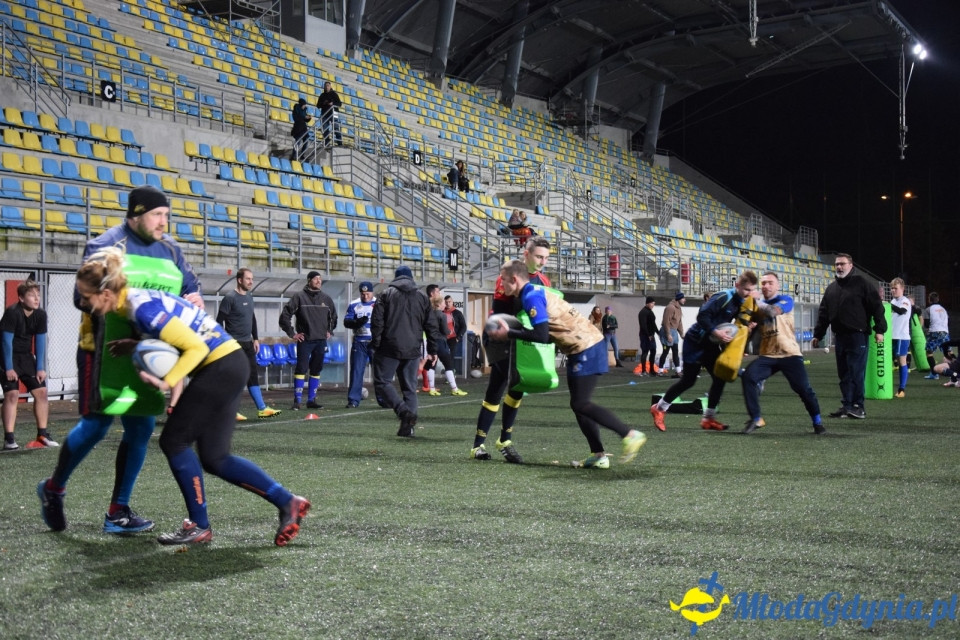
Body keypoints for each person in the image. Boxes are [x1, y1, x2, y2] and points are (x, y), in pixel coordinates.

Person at [68, 248, 310, 546]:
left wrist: (165, 380)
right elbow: (178, 329)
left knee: (174, 441)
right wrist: (138, 344)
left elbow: (193, 347)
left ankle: (199, 525)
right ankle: (288, 502)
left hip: (219, 366)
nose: (83, 303)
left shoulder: (138, 307)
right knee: (215, 457)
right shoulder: (136, 301)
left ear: (105, 292)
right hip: (231, 362)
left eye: (86, 296)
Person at [38, 185, 202, 535]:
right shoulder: (106, 246)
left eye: (166, 216)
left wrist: (193, 297)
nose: (163, 222)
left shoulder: (171, 248)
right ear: (136, 214)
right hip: (104, 352)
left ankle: (118, 510)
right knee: (99, 424)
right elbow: (81, 297)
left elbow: (191, 286)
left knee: (141, 426)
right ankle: (54, 489)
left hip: (145, 355)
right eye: (157, 215)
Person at [488, 259, 647, 469]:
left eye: (504, 280)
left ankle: (629, 434)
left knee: (581, 404)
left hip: (586, 347)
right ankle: (598, 454)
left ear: (515, 279)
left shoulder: (531, 296)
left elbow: (541, 335)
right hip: (580, 347)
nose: (501, 285)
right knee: (578, 405)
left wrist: (509, 333)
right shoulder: (534, 291)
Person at [471, 236, 552, 463]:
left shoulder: (544, 281)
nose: (542, 261)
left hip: (521, 338)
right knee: (497, 387)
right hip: (500, 336)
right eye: (538, 256)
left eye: (546, 258)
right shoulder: (508, 276)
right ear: (526, 254)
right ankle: (479, 445)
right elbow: (500, 315)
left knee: (518, 387)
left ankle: (504, 440)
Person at [650, 272, 759, 432]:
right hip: (695, 342)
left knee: (720, 378)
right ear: (737, 286)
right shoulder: (723, 297)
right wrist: (715, 331)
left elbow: (736, 324)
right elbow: (702, 315)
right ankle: (659, 408)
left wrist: (747, 328)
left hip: (710, 344)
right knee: (688, 381)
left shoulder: (741, 302)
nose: (749, 294)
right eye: (746, 290)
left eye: (752, 290)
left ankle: (708, 418)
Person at [740, 272, 824, 435]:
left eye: (770, 282)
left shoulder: (785, 300)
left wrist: (756, 301)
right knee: (749, 377)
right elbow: (752, 329)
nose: (766, 286)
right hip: (768, 355)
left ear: (778, 286)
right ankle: (756, 418)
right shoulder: (756, 306)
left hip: (789, 354)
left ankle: (817, 422)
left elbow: (773, 312)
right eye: (763, 283)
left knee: (803, 389)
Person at [370, 266, 443, 437]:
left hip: (389, 347)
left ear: (396, 278)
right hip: (413, 348)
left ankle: (403, 412)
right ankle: (408, 429)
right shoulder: (422, 297)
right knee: (409, 388)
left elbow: (377, 322)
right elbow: (431, 326)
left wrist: (376, 343)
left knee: (382, 382)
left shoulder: (386, 294)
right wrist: (433, 349)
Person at [811, 253, 886, 420]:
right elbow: (823, 313)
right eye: (837, 264)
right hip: (840, 337)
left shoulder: (862, 284)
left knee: (856, 372)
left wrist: (879, 330)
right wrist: (818, 334)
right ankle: (847, 405)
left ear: (851, 265)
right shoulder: (831, 288)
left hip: (858, 336)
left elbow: (877, 307)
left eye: (842, 264)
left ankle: (859, 406)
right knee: (843, 374)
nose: (839, 267)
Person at [215, 268, 281, 420]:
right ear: (239, 280)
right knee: (235, 377)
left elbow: (252, 319)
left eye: (252, 279)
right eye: (248, 279)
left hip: (248, 344)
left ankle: (262, 409)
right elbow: (219, 322)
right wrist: (225, 341)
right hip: (234, 344)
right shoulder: (230, 298)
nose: (251, 282)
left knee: (252, 375)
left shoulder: (250, 297)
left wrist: (255, 338)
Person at [2, 280, 56, 451]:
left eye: (38, 295)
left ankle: (42, 435)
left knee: (42, 392)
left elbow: (40, 341)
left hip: (26, 357)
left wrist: (40, 367)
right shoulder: (12, 313)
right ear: (21, 298)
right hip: (6, 356)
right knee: (12, 394)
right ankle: (9, 439)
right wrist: (9, 367)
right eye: (32, 295)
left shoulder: (40, 315)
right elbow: (5, 342)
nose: (36, 298)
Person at [279, 271, 338, 410]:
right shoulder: (299, 297)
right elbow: (285, 316)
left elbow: (333, 318)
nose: (319, 281)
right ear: (309, 280)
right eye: (316, 279)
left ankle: (311, 400)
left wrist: (330, 331)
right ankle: (297, 401)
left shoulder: (326, 299)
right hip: (305, 340)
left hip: (321, 341)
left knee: (316, 369)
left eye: (320, 279)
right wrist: (292, 333)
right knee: (301, 369)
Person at [423, 285, 468, 397]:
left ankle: (432, 388)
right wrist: (448, 331)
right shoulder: (442, 315)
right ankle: (454, 388)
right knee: (448, 364)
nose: (445, 304)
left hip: (430, 342)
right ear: (438, 304)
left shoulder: (428, 314)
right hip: (440, 342)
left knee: (431, 365)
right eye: (443, 302)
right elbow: (446, 331)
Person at [342, 281, 376, 408]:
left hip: (375, 343)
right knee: (356, 371)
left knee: (379, 373)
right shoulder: (354, 304)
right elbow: (347, 321)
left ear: (372, 292)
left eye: (367, 293)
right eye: (363, 293)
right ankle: (353, 400)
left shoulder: (379, 304)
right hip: (359, 342)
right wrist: (356, 322)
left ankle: (384, 399)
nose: (365, 296)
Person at [888, 277, 912, 397]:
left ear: (902, 288)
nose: (893, 290)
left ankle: (901, 389)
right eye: (891, 288)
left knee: (901, 361)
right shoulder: (893, 302)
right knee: (891, 361)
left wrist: (888, 306)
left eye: (895, 288)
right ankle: (886, 386)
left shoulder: (905, 301)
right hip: (891, 336)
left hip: (901, 336)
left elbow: (902, 311)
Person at [922, 291, 950, 379]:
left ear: (929, 300)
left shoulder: (928, 309)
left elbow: (926, 324)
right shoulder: (943, 309)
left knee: (929, 352)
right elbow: (948, 321)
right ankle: (955, 373)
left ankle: (934, 374)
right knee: (948, 353)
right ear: (938, 299)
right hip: (944, 332)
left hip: (934, 332)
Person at [658, 291, 685, 377]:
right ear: (679, 299)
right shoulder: (670, 307)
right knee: (665, 352)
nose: (685, 300)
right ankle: (660, 370)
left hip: (674, 332)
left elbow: (679, 322)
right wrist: (668, 334)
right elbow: (666, 321)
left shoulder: (679, 308)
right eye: (683, 298)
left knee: (675, 352)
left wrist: (681, 334)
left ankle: (678, 371)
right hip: (668, 331)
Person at [636, 296, 658, 376]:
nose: (653, 305)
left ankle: (652, 370)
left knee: (653, 351)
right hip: (645, 335)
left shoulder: (650, 312)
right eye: (652, 303)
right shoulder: (643, 312)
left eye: (654, 304)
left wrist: (658, 333)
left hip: (651, 335)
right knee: (645, 352)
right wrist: (648, 334)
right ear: (648, 303)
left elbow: (653, 324)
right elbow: (643, 325)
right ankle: (643, 370)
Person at [317, 81, 342, 146]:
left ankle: (339, 142)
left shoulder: (334, 94)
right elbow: (318, 105)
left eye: (328, 85)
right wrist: (324, 103)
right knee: (325, 129)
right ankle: (327, 142)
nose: (327, 87)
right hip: (325, 114)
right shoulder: (322, 95)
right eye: (326, 86)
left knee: (336, 128)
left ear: (330, 86)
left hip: (333, 113)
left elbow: (339, 103)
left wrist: (332, 103)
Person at [442, 294, 467, 360]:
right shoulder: (441, 312)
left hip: (453, 338)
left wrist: (458, 338)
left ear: (452, 302)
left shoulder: (457, 313)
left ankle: (450, 370)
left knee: (450, 357)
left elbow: (464, 326)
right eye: (446, 302)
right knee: (442, 356)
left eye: (449, 302)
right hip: (442, 338)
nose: (448, 303)